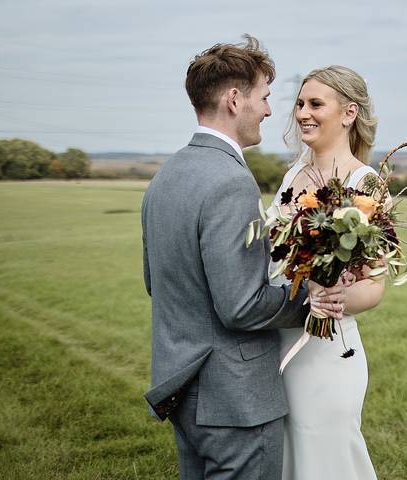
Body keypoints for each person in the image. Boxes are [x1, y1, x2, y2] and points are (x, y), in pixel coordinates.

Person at [142, 35, 346, 480]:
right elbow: (241, 305)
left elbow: (155, 281)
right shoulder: (229, 181)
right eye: (264, 97)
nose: (271, 110)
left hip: (184, 385)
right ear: (235, 100)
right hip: (235, 401)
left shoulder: (167, 175)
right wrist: (310, 301)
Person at [273, 65, 386, 480]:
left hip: (329, 348)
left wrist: (333, 300)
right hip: (280, 338)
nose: (303, 112)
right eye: (300, 103)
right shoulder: (293, 174)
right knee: (288, 455)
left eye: (316, 103)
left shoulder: (366, 183)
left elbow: (373, 286)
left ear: (349, 113)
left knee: (326, 455)